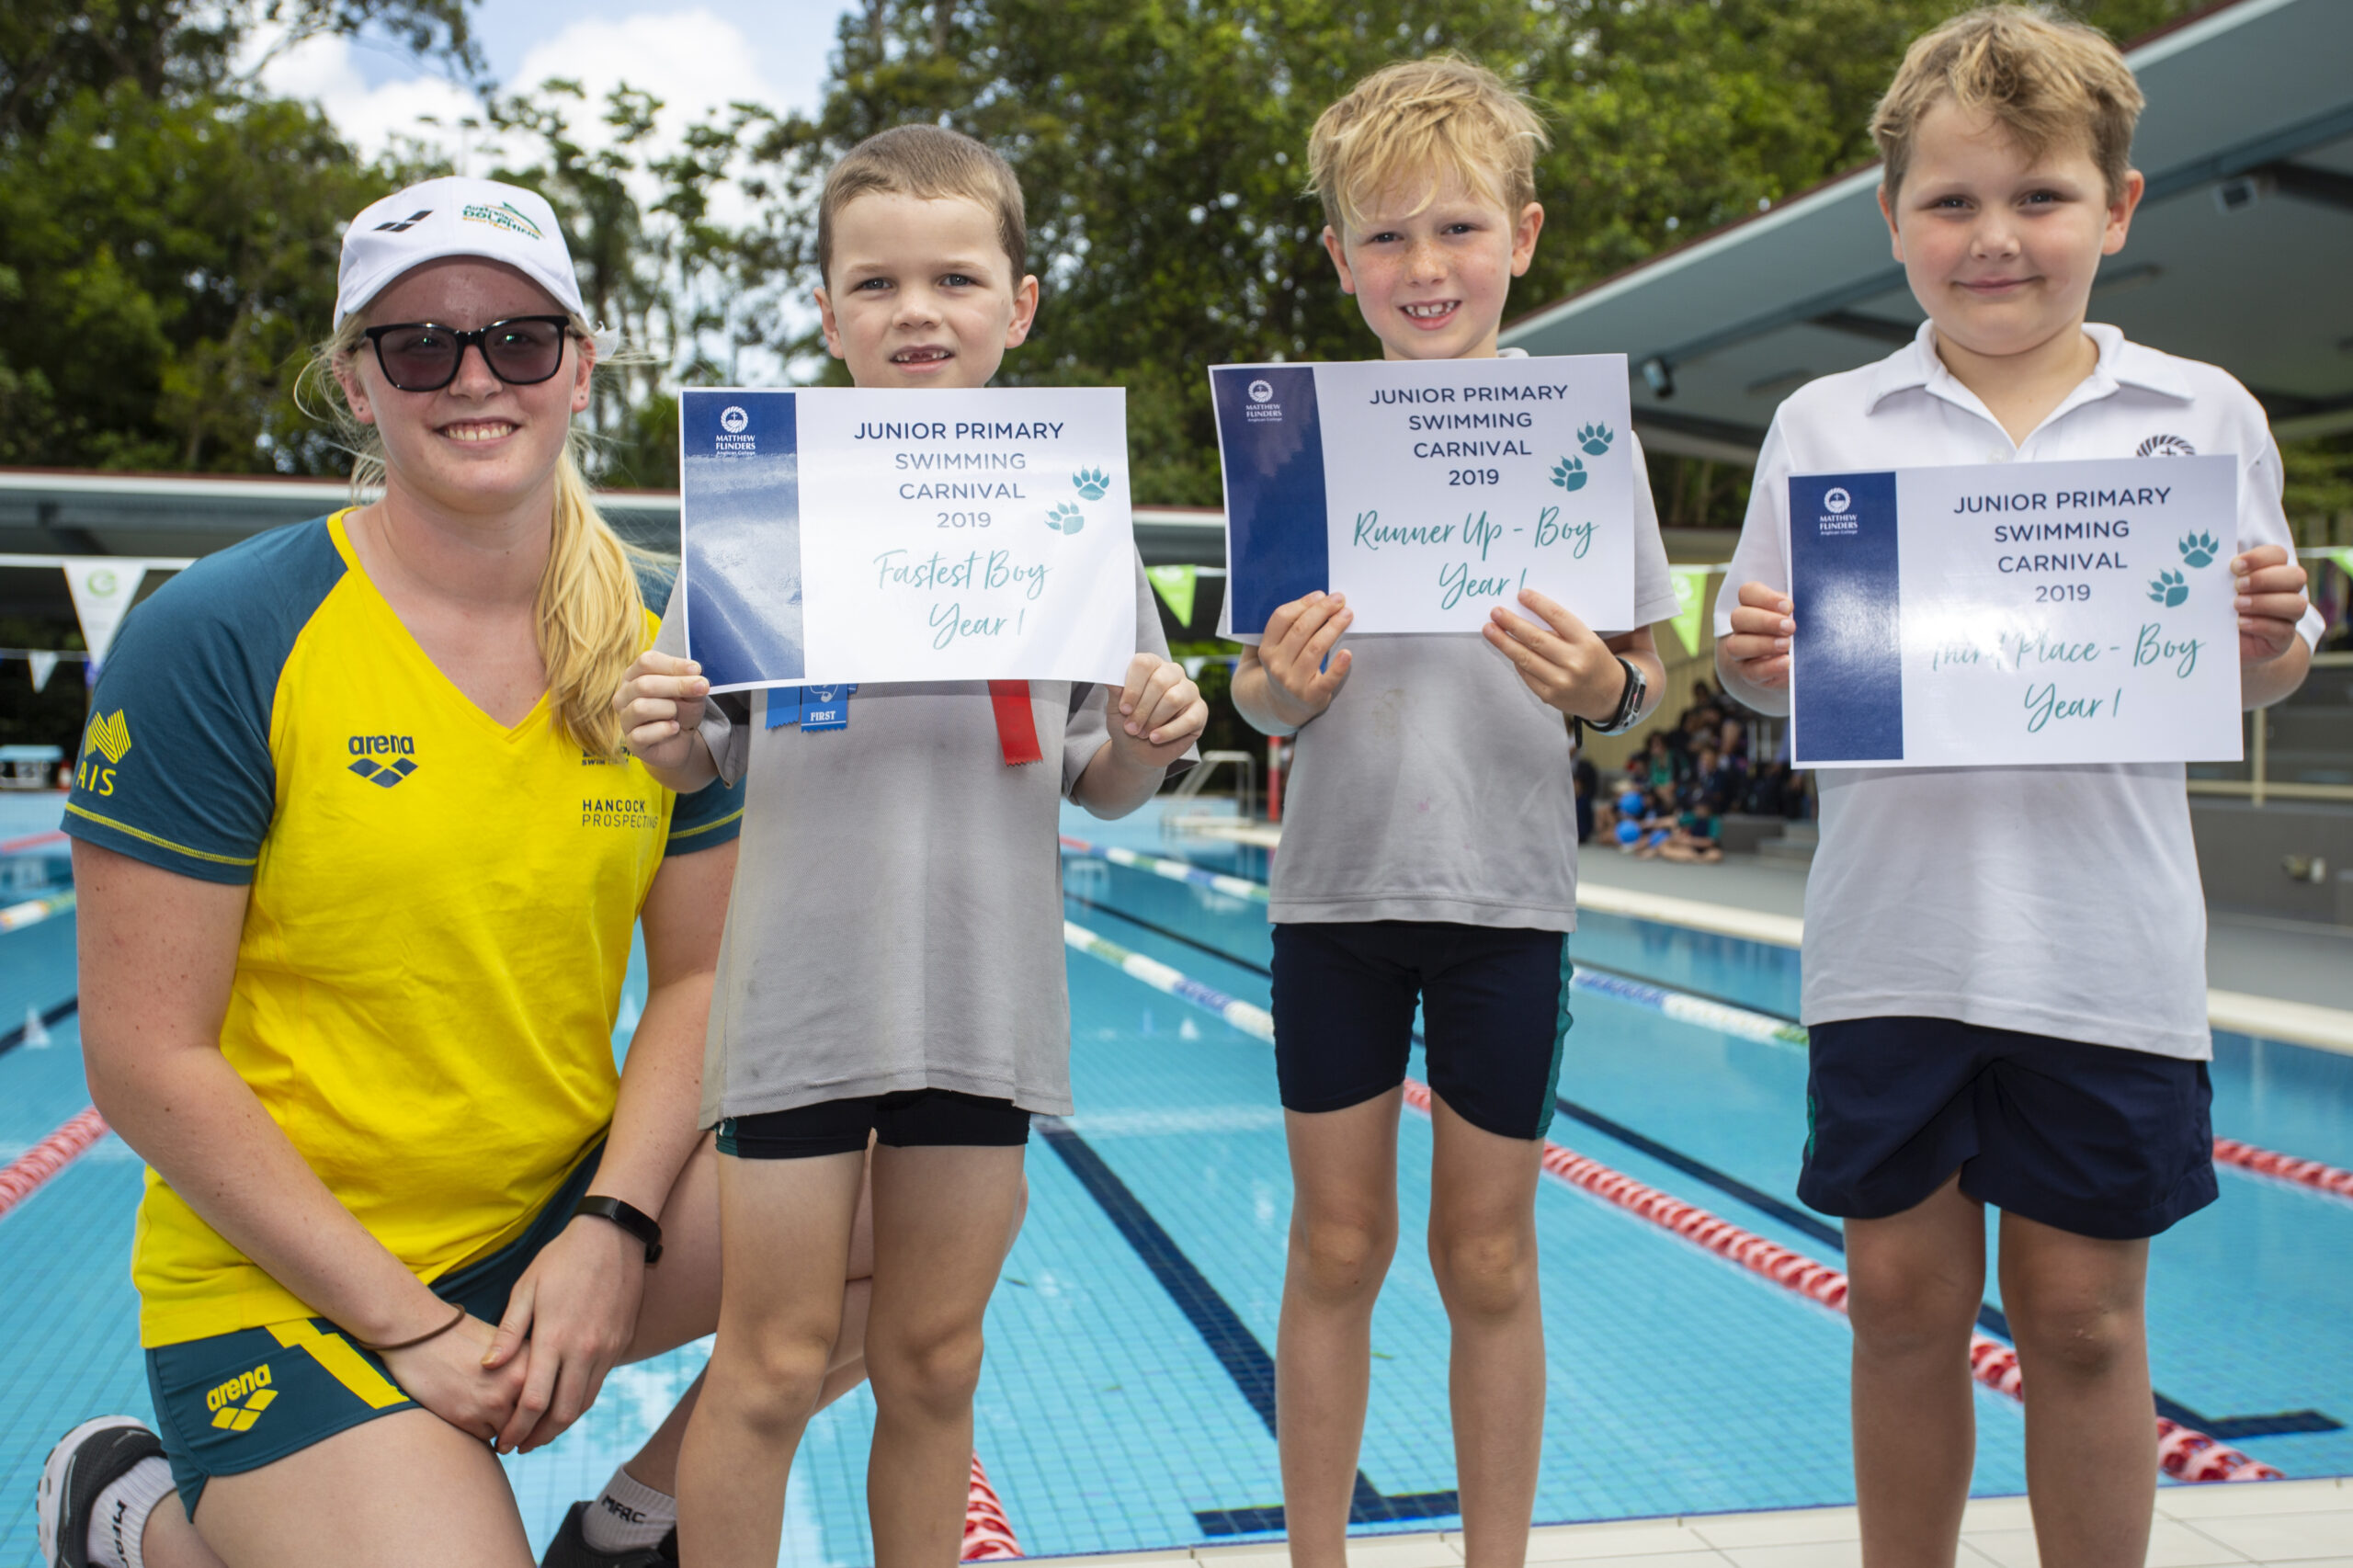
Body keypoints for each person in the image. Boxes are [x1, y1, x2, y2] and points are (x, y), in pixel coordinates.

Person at [32, 176, 875, 1568]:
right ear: (356, 381)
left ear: (581, 365)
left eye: (519, 339)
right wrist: (411, 1327)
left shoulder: (675, 633)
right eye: (419, 344)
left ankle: (638, 1529)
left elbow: (706, 975)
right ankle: (140, 1522)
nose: (472, 376)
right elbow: (143, 1057)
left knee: (914, 1192)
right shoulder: (224, 633)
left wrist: (612, 1222)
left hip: (555, 1212)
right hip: (284, 1274)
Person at [1713, 11, 2318, 1565]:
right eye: (1952, 203)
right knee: (1904, 1312)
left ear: (2117, 209)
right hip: (1894, 944)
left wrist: (2264, 639)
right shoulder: (1826, 426)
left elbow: (2255, 675)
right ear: (1893, 221)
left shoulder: (2201, 415)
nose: (1996, 239)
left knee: (2089, 1325)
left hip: (2104, 945)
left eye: (2039, 198)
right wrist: (1753, 656)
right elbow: (1757, 669)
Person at [611, 125, 1207, 1568]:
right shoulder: (760, 513)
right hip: (799, 1001)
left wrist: (1153, 728)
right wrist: (660, 721)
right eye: (875, 283)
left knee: (934, 1360)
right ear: (826, 311)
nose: (916, 311)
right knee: (768, 1363)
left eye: (954, 276)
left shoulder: (1074, 516)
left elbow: (1103, 782)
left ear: (1022, 304)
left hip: (980, 999)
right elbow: (707, 754)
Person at [1223, 60, 1675, 1568]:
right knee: (1336, 1242)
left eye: (1458, 230)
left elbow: (1647, 693)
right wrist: (1280, 691)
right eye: (1389, 237)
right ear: (1342, 259)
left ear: (1524, 236)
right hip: (1336, 902)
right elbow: (1256, 700)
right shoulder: (1296, 442)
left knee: (1486, 1253)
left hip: (1506, 906)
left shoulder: (1582, 443)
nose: (1427, 268)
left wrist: (1607, 682)